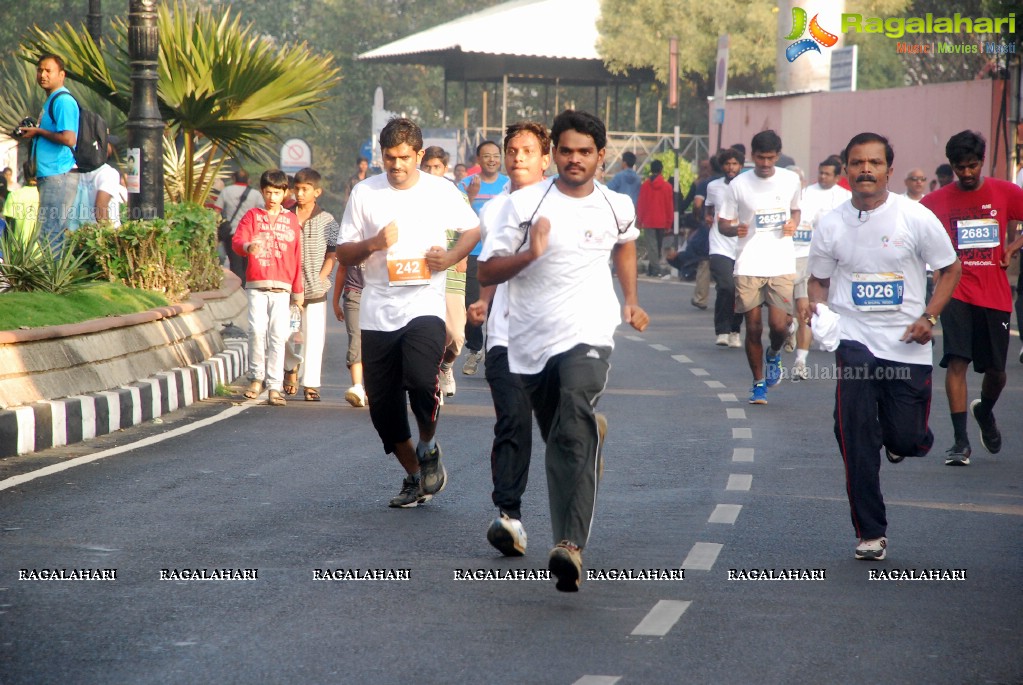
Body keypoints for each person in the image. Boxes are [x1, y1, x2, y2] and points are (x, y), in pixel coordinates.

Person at [478, 110, 649, 592]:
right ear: (554, 154)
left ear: (601, 155)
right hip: (530, 342)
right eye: (567, 151)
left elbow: (627, 245)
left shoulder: (617, 205)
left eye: (585, 152)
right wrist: (531, 254)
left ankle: (568, 545)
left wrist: (631, 300)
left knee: (572, 421)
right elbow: (487, 272)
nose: (575, 159)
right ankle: (588, 434)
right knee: (564, 439)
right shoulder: (523, 205)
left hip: (589, 332)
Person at [808, 132, 960, 561]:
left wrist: (929, 317)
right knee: (854, 433)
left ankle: (901, 440)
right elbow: (818, 279)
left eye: (874, 163)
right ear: (846, 169)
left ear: (889, 171)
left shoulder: (915, 217)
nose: (866, 170)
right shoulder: (831, 223)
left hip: (906, 345)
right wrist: (818, 310)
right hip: (854, 340)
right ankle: (870, 532)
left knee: (907, 437)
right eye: (857, 163)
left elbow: (951, 268)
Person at [337, 117, 480, 508]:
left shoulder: (441, 190)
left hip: (424, 304)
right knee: (383, 412)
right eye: (388, 157)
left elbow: (473, 230)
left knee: (420, 381)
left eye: (404, 157)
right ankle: (417, 475)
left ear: (419, 154)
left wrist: (449, 257)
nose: (396, 165)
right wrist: (374, 243)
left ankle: (429, 444)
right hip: (378, 309)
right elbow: (344, 252)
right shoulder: (365, 193)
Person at [468, 120, 550, 557]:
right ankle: (509, 517)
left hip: (557, 336)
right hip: (505, 334)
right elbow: (489, 263)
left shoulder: (565, 202)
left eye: (528, 151)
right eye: (513, 150)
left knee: (560, 430)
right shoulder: (494, 208)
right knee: (513, 421)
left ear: (544, 159)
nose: (519, 158)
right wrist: (483, 302)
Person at [920, 130, 1023, 466]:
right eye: (960, 167)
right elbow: (910, 231)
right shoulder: (935, 202)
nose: (966, 173)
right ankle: (960, 442)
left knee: (996, 371)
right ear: (951, 166)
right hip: (956, 291)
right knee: (957, 361)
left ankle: (986, 411)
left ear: (981, 161)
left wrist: (1011, 248)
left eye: (972, 165)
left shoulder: (1005, 192)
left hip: (995, 295)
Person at [718, 130, 802, 404]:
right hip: (748, 263)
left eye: (770, 158)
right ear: (752, 156)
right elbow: (723, 223)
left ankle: (774, 354)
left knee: (778, 326)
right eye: (760, 158)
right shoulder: (738, 185)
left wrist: (794, 224)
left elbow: (796, 210)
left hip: (780, 262)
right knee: (753, 329)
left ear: (778, 155)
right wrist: (734, 228)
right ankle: (758, 383)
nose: (765, 163)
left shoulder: (790, 180)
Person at [232, 169, 304, 407]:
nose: (272, 197)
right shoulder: (252, 216)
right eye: (268, 192)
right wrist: (248, 246)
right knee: (256, 330)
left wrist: (298, 291)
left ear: (285, 193)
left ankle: (274, 386)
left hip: (282, 290)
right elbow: (237, 240)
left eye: (277, 192)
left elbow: (296, 256)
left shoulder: (291, 220)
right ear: (262, 192)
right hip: (256, 286)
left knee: (278, 336)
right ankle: (256, 378)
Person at [790, 156, 851, 379]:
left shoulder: (845, 198)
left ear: (837, 176)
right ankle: (798, 353)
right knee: (805, 310)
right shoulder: (806, 194)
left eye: (828, 174)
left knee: (827, 307)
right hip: (802, 258)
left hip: (834, 262)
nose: (823, 177)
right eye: (821, 172)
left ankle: (811, 351)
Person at [282, 167, 340, 402]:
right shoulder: (285, 216)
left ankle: (311, 384)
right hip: (287, 288)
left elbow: (333, 252)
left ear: (317, 192)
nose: (300, 194)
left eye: (305, 189)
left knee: (315, 337)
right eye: (297, 189)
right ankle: (291, 368)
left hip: (315, 289)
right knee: (285, 333)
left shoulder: (327, 220)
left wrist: (323, 277)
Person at [18, 54, 79, 247]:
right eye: (40, 70)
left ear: (61, 75)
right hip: (49, 175)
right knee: (49, 233)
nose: (43, 75)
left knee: (51, 234)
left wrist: (39, 131)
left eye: (48, 71)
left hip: (58, 175)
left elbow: (69, 138)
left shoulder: (63, 101)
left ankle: (53, 277)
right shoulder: (51, 101)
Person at [458, 140, 507, 375]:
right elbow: (456, 218)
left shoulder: (509, 185)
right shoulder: (465, 184)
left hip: (501, 254)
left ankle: (492, 352)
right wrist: (470, 196)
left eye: (496, 155)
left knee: (498, 306)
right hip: (473, 254)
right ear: (478, 160)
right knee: (472, 304)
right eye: (486, 156)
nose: (491, 160)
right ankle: (475, 348)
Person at [421, 146, 466, 400]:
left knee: (457, 335)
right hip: (421, 270)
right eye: (427, 166)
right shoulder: (410, 195)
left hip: (452, 269)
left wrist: (460, 256)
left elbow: (468, 228)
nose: (431, 171)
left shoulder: (454, 194)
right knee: (425, 330)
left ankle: (446, 365)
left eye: (436, 167)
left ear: (445, 169)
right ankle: (426, 379)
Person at [705, 147, 745, 347]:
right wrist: (707, 216)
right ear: (722, 166)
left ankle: (735, 330)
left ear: (741, 166)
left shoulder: (748, 186)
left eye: (735, 164)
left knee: (740, 291)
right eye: (728, 163)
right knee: (726, 287)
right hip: (719, 244)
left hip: (743, 246)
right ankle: (722, 330)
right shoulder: (713, 187)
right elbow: (708, 206)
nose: (731, 167)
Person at [216, 169, 263, 283]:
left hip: (232, 234)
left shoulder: (226, 191)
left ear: (233, 178)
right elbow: (262, 212)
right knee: (248, 264)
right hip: (250, 235)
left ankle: (239, 288)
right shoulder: (255, 194)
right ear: (249, 180)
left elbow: (216, 210)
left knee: (235, 265)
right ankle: (247, 287)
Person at [333, 263, 367, 407]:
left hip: (381, 295)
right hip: (355, 293)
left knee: (377, 342)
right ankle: (358, 387)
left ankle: (373, 389)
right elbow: (342, 268)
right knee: (355, 339)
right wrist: (335, 302)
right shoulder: (351, 241)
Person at [636, 159, 674, 277]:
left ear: (651, 170)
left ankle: (654, 269)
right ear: (661, 170)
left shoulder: (645, 186)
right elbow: (669, 206)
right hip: (662, 220)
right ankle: (654, 269)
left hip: (648, 220)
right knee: (657, 246)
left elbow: (641, 204)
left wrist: (639, 220)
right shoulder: (667, 186)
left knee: (652, 246)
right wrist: (669, 222)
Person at [79, 143, 125, 227]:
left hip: (79, 231)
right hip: (101, 232)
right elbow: (101, 208)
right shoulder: (108, 173)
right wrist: (109, 234)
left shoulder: (76, 170)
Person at [2, 161, 40, 245]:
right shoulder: (42, 196)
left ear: (24, 175)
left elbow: (8, 227)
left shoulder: (14, 195)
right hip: (39, 250)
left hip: (16, 250)